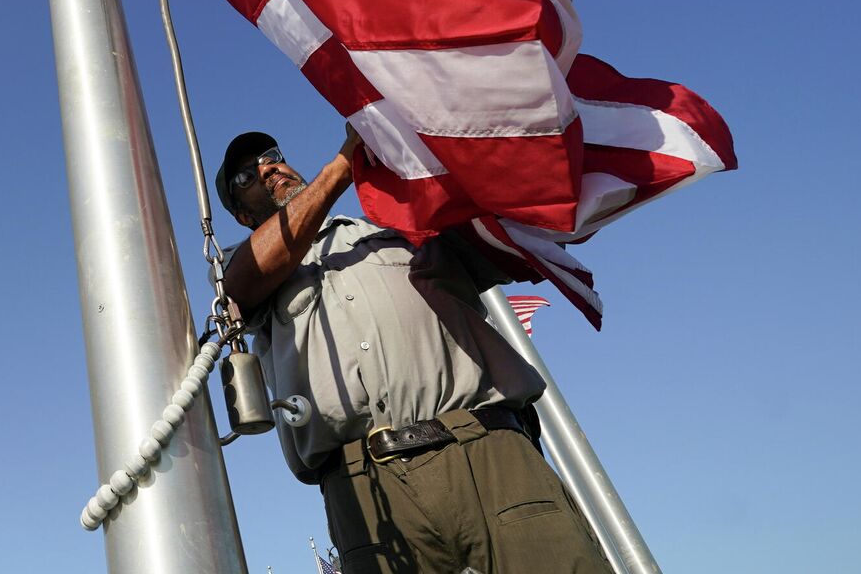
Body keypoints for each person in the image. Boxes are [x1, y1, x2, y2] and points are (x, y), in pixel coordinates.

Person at [217, 128, 612, 574]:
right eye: (246, 177)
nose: (267, 168)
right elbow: (245, 281)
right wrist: (343, 166)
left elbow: (518, 227)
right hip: (365, 486)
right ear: (239, 215)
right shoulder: (242, 266)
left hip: (488, 452)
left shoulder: (401, 226)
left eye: (271, 156)